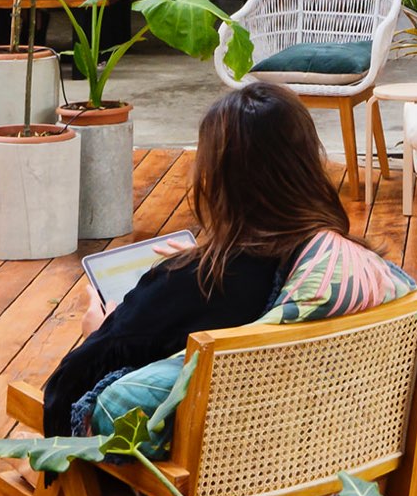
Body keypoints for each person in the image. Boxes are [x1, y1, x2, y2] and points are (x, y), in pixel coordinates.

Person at [40, 81, 378, 437]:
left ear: (216, 176)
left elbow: (66, 391)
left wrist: (100, 331)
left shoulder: (190, 285)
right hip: (321, 463)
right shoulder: (341, 269)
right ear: (308, 164)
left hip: (204, 482)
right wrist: (197, 264)